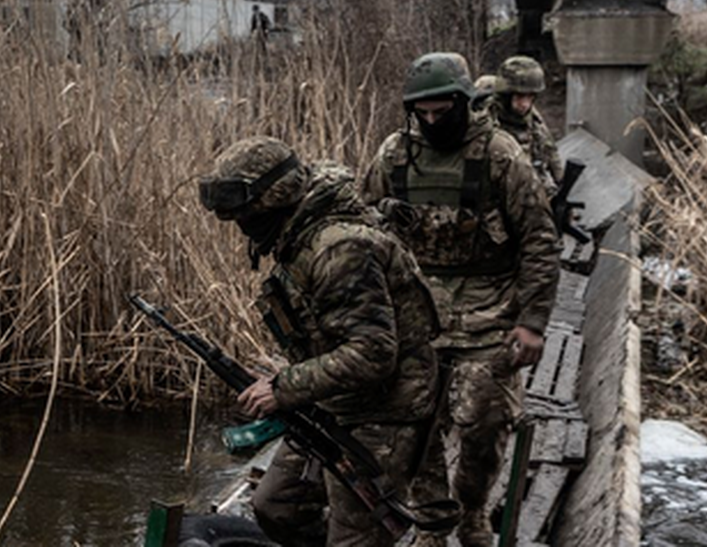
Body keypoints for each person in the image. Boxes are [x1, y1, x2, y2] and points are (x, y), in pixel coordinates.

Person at [199, 137, 441, 547]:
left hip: (386, 408)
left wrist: (285, 387)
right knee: (275, 505)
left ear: (274, 201)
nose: (241, 226)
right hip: (339, 400)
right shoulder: (301, 234)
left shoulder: (339, 248)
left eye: (245, 215)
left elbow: (374, 353)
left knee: (356, 535)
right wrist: (291, 369)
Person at [361, 53, 560, 547]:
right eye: (422, 113)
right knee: (417, 426)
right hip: (417, 311)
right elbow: (361, 224)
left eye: (441, 111)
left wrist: (533, 320)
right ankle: (433, 520)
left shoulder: (500, 155)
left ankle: (473, 508)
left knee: (483, 423)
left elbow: (539, 239)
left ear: (463, 103)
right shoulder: (394, 154)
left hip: (489, 310)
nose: (432, 122)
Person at [488, 55, 563, 193]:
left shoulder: (533, 120)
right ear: (506, 95)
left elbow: (550, 150)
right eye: (519, 97)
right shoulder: (488, 120)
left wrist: (560, 182)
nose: (525, 104)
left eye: (530, 97)